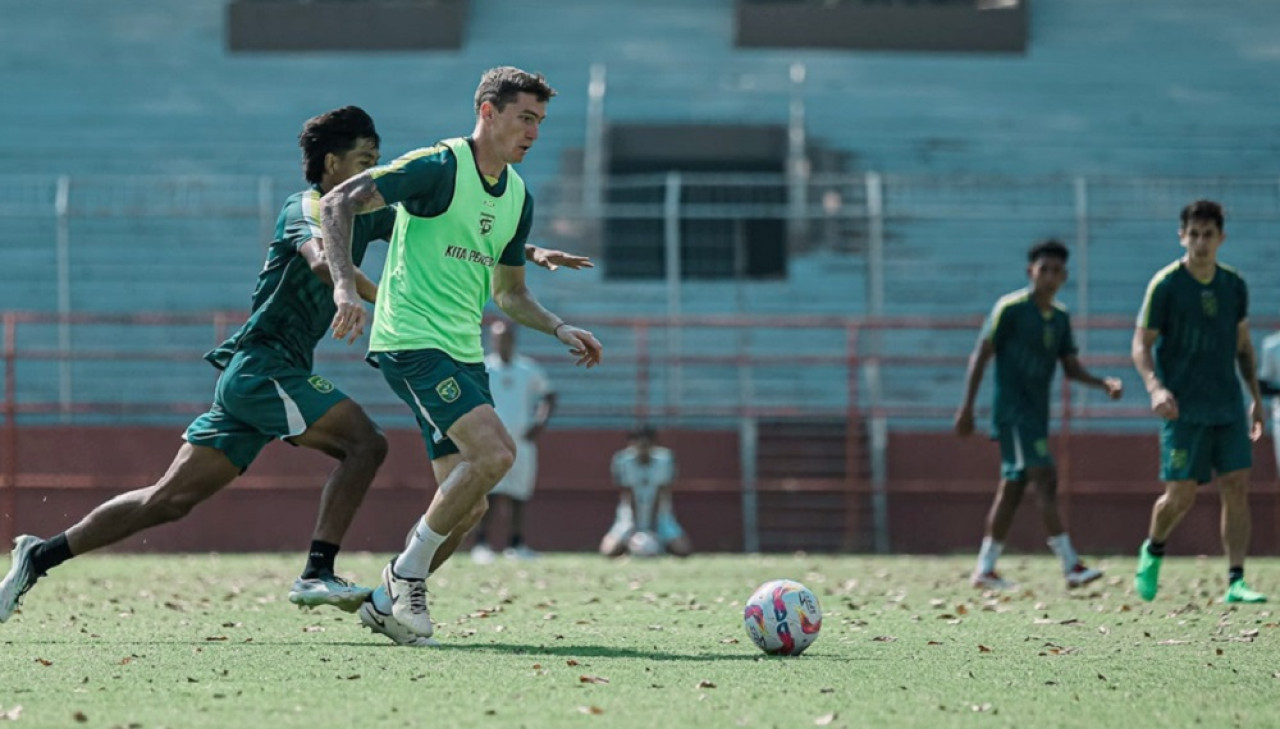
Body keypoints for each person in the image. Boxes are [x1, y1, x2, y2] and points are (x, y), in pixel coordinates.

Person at [0, 106, 590, 632]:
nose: (373, 170)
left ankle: (38, 555)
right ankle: (317, 571)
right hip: (265, 366)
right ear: (333, 162)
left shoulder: (364, 212)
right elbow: (315, 256)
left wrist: (530, 251)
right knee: (365, 443)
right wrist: (348, 290)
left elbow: (445, 224)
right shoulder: (303, 207)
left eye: (377, 161)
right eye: (364, 160)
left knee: (168, 500)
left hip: (263, 375)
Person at [322, 66, 603, 640]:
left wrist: (558, 327)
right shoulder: (438, 167)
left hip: (461, 352)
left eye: (541, 122)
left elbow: (509, 294)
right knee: (498, 453)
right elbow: (337, 203)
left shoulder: (518, 196)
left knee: (470, 506)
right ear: (487, 112)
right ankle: (405, 575)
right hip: (410, 341)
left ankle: (384, 599)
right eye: (525, 118)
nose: (533, 132)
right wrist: (345, 286)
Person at [955, 239, 1122, 591]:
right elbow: (981, 354)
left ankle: (985, 569)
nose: (1049, 276)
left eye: (1056, 271)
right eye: (1043, 269)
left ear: (1064, 276)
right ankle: (1070, 564)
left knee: (1013, 489)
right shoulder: (1011, 309)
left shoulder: (1060, 318)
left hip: (1036, 415)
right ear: (1031, 271)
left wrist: (1101, 382)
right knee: (1044, 478)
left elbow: (1071, 368)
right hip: (1013, 413)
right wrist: (967, 406)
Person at [1132, 199, 1267, 604]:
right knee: (1181, 496)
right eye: (1194, 234)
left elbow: (1243, 347)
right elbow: (1141, 344)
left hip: (1226, 403)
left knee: (1236, 486)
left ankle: (1236, 581)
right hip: (1183, 407)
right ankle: (1153, 549)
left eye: (1209, 235)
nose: (1201, 242)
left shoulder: (1234, 285)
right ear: (1182, 236)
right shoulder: (1166, 285)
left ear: (1221, 238)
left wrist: (1256, 398)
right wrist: (1155, 387)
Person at [470, 318, 557, 563]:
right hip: (491, 442)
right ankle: (482, 544)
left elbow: (549, 395)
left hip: (522, 442)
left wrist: (539, 423)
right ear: (492, 340)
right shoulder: (483, 368)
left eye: (507, 338)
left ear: (514, 340)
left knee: (519, 494)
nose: (503, 343)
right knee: (490, 493)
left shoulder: (528, 369)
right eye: (498, 339)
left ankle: (516, 545)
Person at [599, 426, 693, 558]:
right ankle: (628, 548)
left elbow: (661, 493)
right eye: (638, 445)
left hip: (660, 516)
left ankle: (661, 547)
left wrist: (650, 528)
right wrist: (635, 528)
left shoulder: (665, 460)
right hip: (630, 516)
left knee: (683, 551)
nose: (642, 449)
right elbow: (628, 494)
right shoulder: (623, 460)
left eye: (646, 445)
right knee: (608, 551)